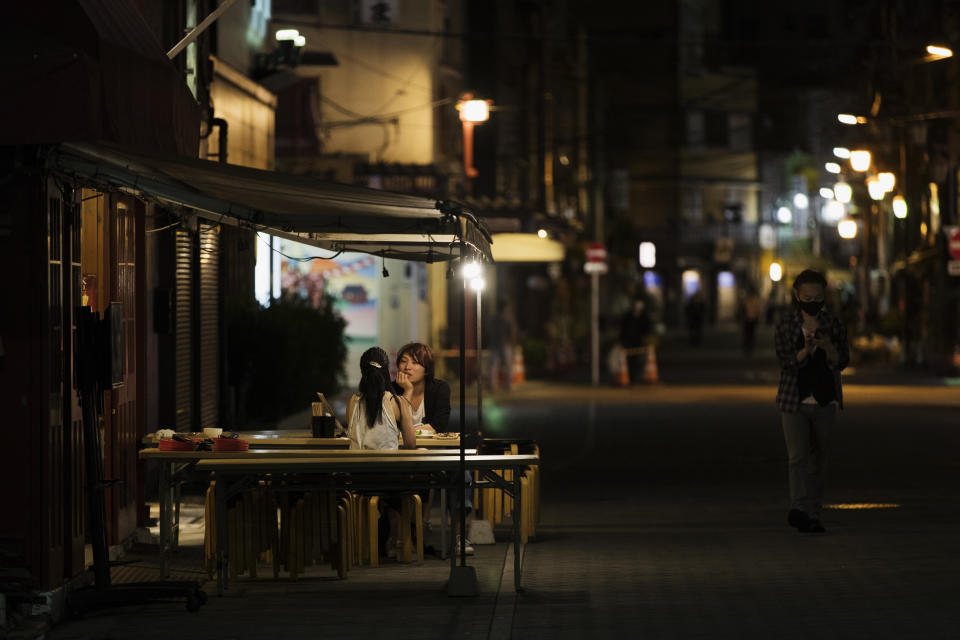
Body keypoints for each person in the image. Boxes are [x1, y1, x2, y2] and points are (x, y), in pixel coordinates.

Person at [774, 269, 849, 534]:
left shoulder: (833, 324)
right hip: (793, 400)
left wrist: (828, 347)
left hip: (824, 401)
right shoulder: (786, 324)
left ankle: (813, 513)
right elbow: (785, 362)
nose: (812, 301)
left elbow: (842, 361)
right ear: (797, 295)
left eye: (817, 297)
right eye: (807, 296)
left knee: (819, 460)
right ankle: (798, 508)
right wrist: (805, 350)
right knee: (797, 457)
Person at [391, 342, 473, 555]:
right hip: (401, 456)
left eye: (415, 362)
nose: (407, 367)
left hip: (435, 454)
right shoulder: (390, 391)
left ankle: (459, 536)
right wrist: (406, 394)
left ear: (427, 368)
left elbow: (439, 425)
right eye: (403, 361)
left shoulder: (439, 388)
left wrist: (410, 431)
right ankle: (401, 536)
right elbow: (390, 428)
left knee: (461, 472)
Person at [346, 347, 416, 558]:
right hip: (390, 478)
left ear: (362, 371)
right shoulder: (397, 402)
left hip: (358, 479)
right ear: (387, 371)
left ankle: (366, 544)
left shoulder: (353, 401)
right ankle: (400, 542)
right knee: (410, 486)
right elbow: (411, 444)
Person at [620, 298, 651, 382]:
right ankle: (631, 377)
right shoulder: (629, 316)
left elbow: (647, 328)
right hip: (629, 341)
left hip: (639, 342)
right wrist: (622, 339)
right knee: (629, 361)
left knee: (639, 361)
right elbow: (624, 328)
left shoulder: (644, 317)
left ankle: (637, 378)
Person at [488, 302, 517, 391]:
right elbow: (512, 331)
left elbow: (490, 331)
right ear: (505, 308)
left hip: (495, 344)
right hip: (505, 344)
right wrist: (512, 343)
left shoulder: (494, 318)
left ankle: (493, 385)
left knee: (494, 366)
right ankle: (508, 385)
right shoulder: (507, 318)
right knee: (508, 366)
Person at [740, 286, 762, 357]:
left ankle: (749, 348)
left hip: (752, 319)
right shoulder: (748, 300)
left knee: (751, 335)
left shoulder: (753, 300)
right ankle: (747, 348)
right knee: (747, 334)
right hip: (748, 319)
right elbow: (743, 309)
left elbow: (757, 310)